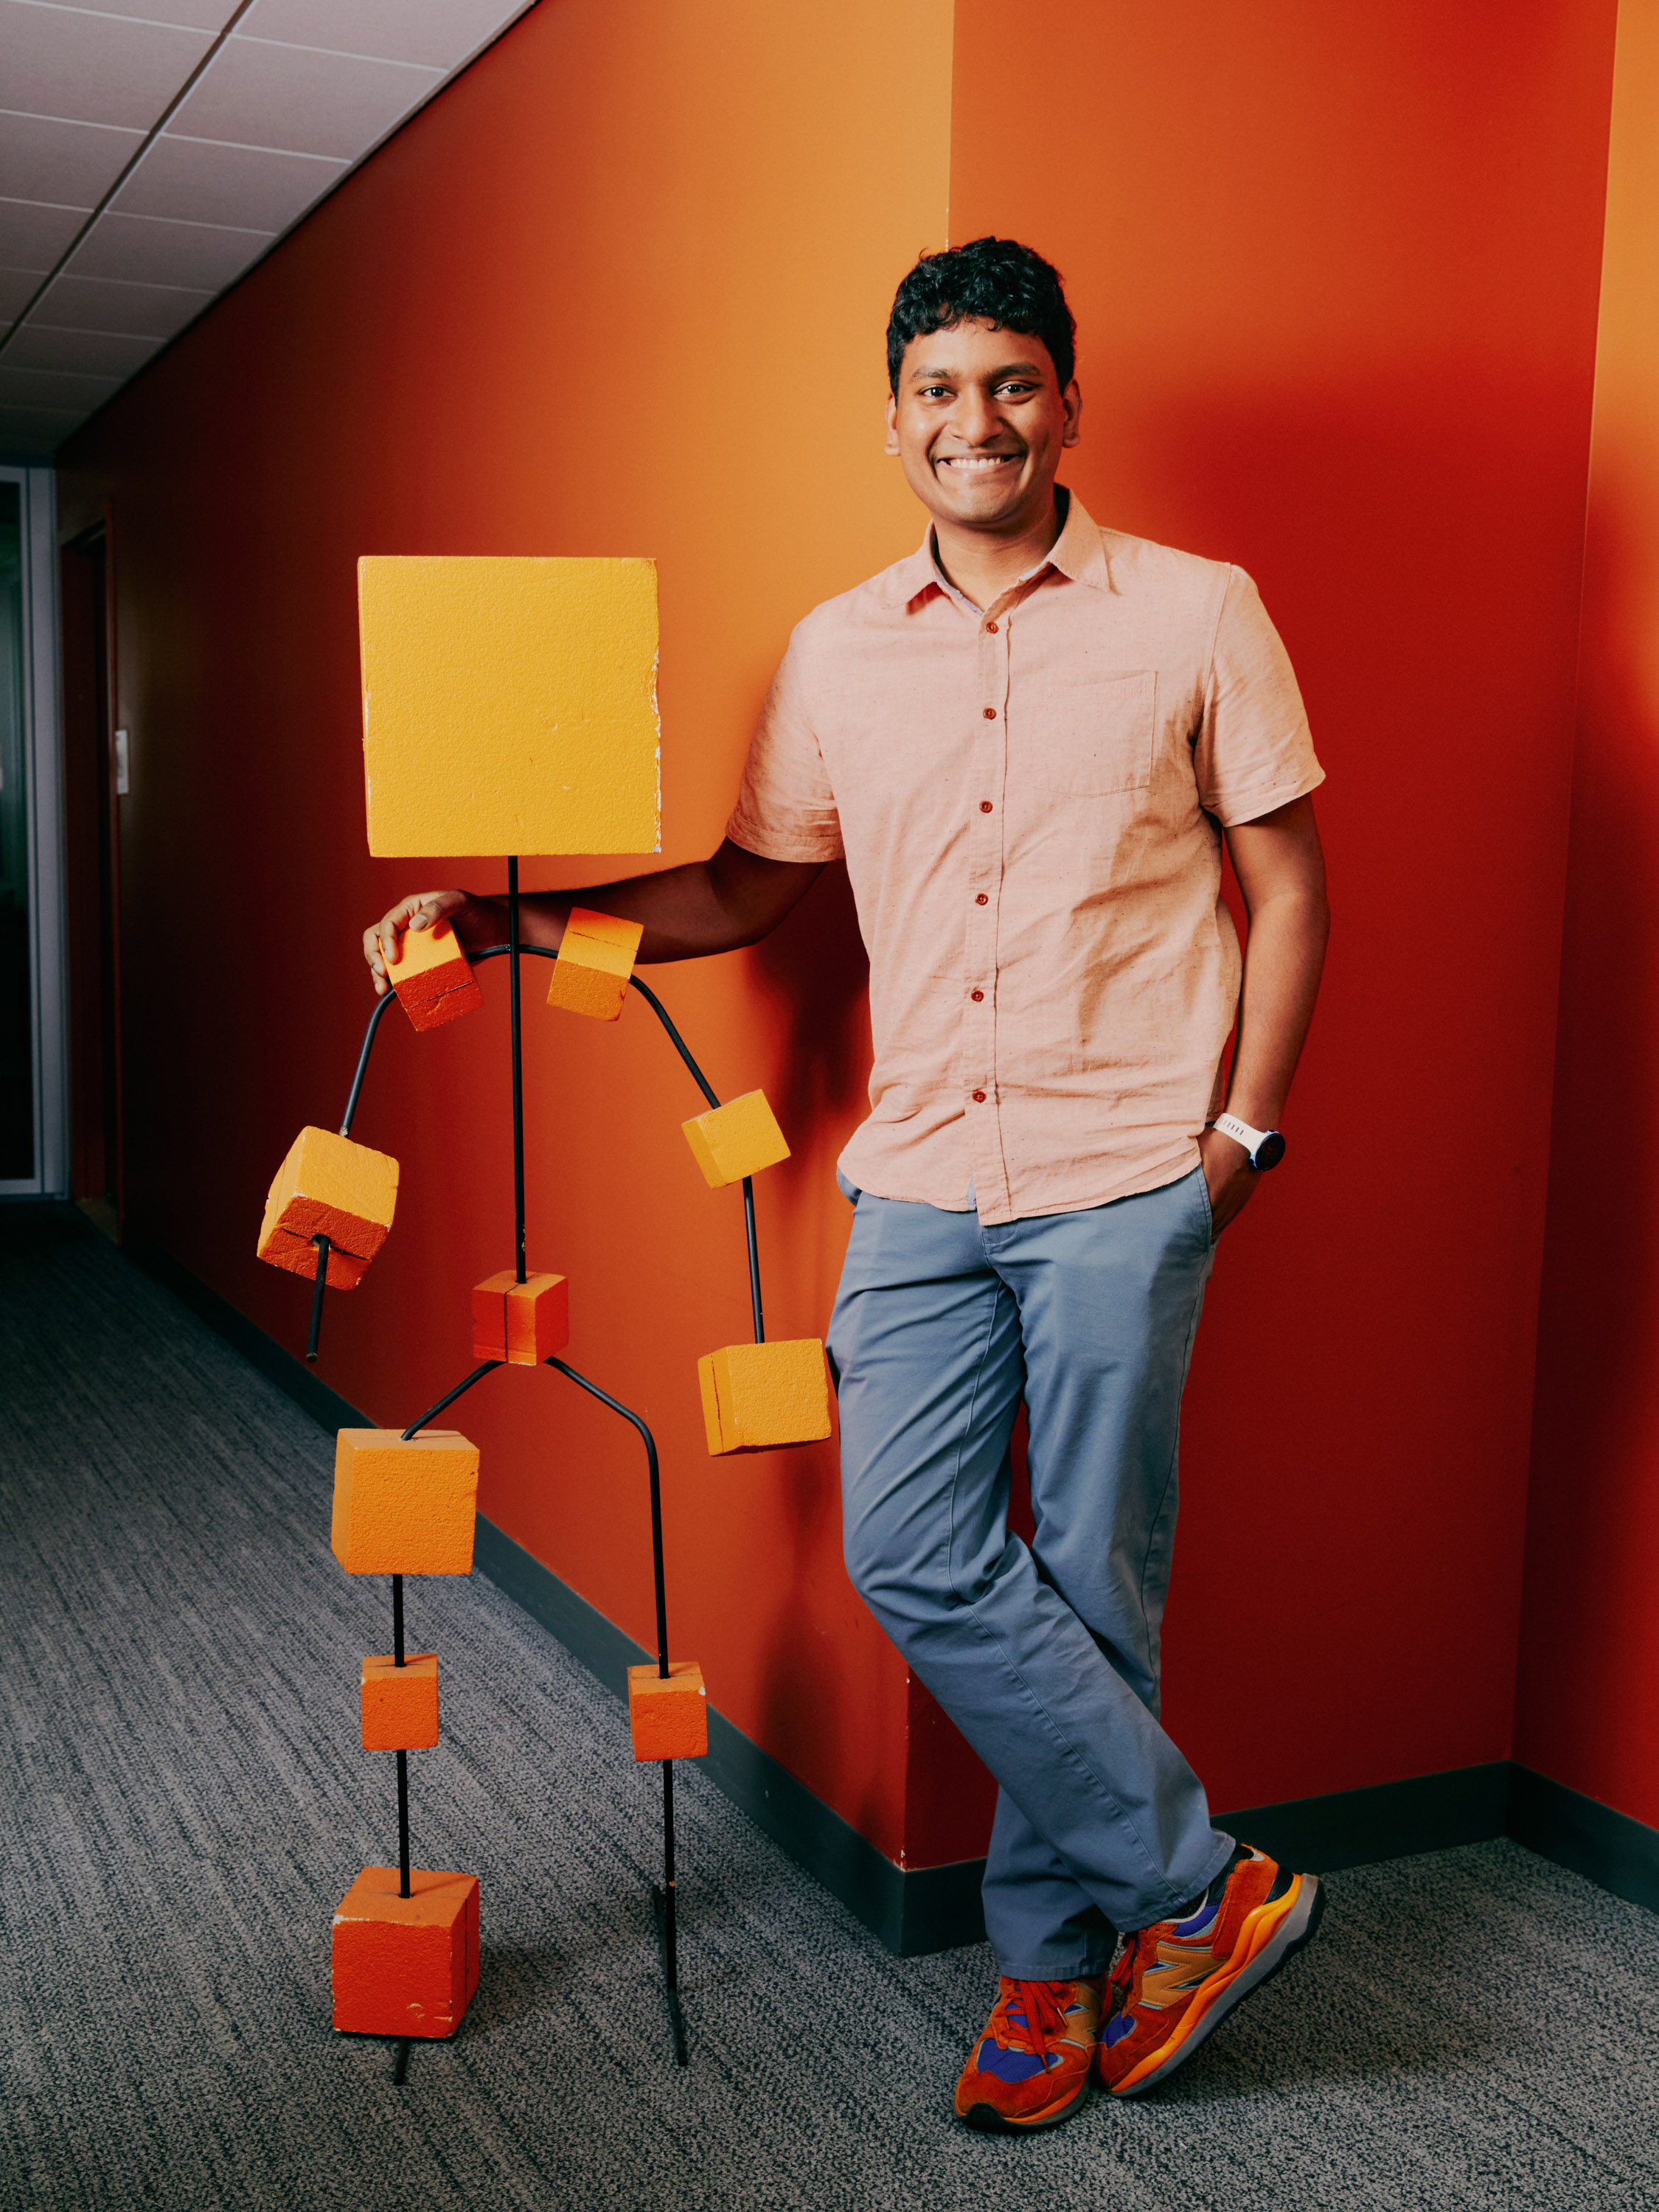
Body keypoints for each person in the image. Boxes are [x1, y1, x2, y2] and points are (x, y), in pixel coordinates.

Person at [362, 237, 1330, 2131]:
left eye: (1014, 384)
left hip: (1131, 1163)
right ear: (892, 420)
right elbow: (743, 890)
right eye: (940, 391)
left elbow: (1287, 885)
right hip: (923, 1176)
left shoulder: (1200, 611)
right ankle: (1202, 1888)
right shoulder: (834, 648)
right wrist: (499, 927)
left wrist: (1242, 1139)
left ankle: (1054, 1977)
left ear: (1069, 402)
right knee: (913, 1550)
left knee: (1093, 1579)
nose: (978, 423)